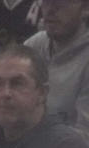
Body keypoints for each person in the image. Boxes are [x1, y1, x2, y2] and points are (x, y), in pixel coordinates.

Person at [23, 0, 89, 134]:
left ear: (86, 8)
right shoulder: (34, 45)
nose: (50, 10)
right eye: (46, 2)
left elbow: (84, 138)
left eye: (61, 2)